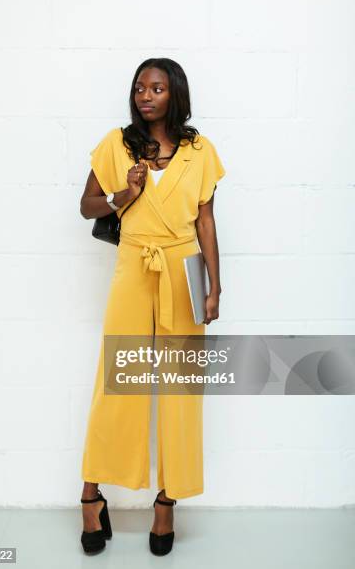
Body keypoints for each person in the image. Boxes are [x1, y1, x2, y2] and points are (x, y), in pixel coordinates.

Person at [78, 57, 226, 555]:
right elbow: (87, 205)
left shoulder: (199, 150)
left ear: (174, 94)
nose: (146, 95)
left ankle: (167, 501)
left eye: (157, 88)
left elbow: (205, 222)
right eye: (140, 87)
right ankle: (91, 494)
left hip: (184, 270)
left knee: (182, 389)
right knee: (117, 381)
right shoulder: (116, 145)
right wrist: (125, 192)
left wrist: (215, 286)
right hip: (133, 268)